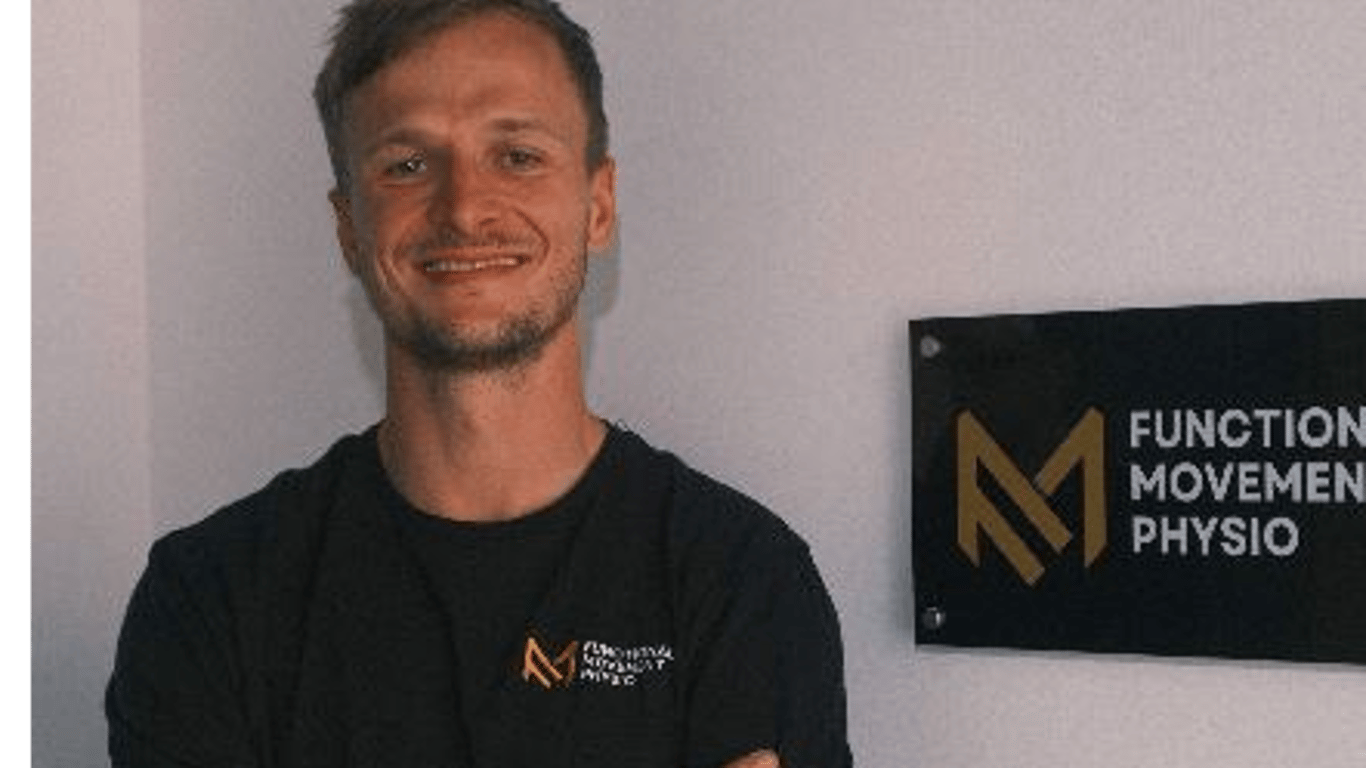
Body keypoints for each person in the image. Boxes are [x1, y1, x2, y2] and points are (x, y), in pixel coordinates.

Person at [106, 1, 852, 766]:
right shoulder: (212, 598)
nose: (464, 208)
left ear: (598, 205)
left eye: (518, 156)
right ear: (349, 228)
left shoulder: (741, 581)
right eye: (407, 164)